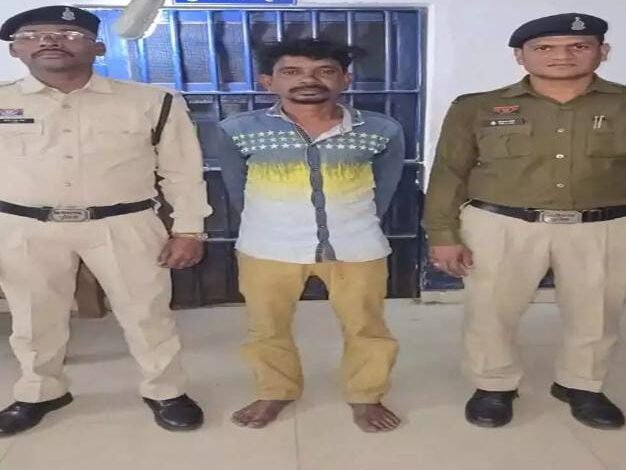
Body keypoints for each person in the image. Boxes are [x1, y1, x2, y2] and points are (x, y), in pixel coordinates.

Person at [0, 5, 212, 435]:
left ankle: (165, 390)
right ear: (15, 50)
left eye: (68, 34)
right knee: (33, 315)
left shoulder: (151, 102)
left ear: (98, 47)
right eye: (33, 35)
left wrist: (189, 229)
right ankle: (40, 391)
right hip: (24, 226)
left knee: (146, 312)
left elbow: (182, 171)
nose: (50, 41)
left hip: (124, 223)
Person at [424, 13, 626, 429]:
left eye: (578, 46)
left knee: (597, 312)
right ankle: (493, 385)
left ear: (602, 51)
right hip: (500, 224)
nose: (561, 56)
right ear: (520, 56)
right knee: (490, 310)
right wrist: (442, 233)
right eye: (544, 48)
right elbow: (449, 173)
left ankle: (581, 385)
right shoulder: (476, 107)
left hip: (602, 225)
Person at [207, 39, 405, 432]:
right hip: (267, 247)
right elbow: (236, 187)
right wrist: (273, 222)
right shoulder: (238, 130)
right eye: (292, 72)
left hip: (356, 245)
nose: (308, 80)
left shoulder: (381, 130)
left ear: (345, 79)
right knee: (266, 327)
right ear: (268, 81)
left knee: (366, 326)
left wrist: (353, 221)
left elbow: (385, 189)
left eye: (324, 71)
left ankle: (366, 395)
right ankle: (275, 390)